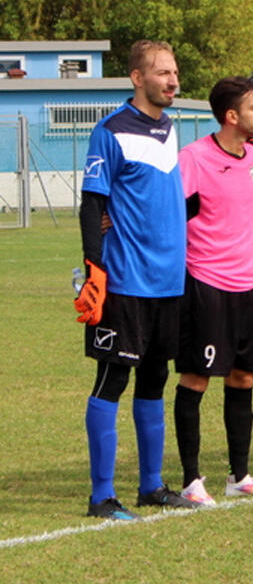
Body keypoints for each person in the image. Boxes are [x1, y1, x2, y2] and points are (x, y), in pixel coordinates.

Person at [76, 40, 198, 519]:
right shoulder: (110, 130)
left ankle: (151, 486)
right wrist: (94, 268)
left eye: (175, 72)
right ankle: (102, 496)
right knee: (113, 379)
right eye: (163, 72)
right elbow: (92, 204)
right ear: (137, 77)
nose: (173, 80)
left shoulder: (169, 128)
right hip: (125, 281)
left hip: (169, 282)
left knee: (155, 380)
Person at [174, 77, 253, 506]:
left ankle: (240, 475)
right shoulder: (194, 158)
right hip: (206, 285)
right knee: (197, 378)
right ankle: (191, 480)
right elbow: (172, 217)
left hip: (250, 285)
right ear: (231, 116)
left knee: (244, 377)